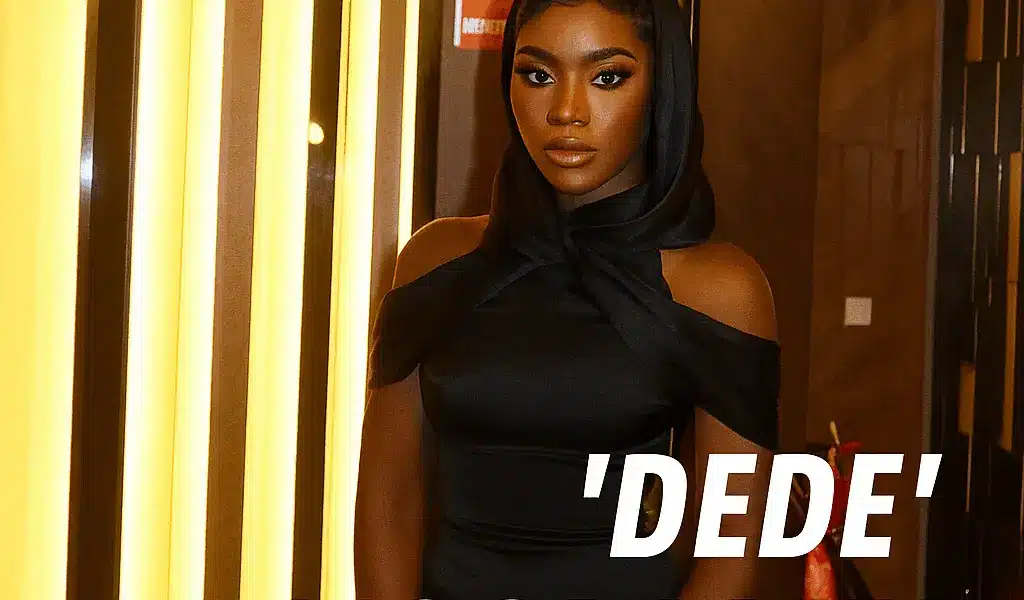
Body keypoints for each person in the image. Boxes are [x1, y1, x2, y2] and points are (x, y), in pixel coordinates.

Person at [354, 0, 780, 597]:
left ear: (661, 86)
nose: (566, 111)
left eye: (607, 77)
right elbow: (387, 497)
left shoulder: (719, 287)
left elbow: (730, 546)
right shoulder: (434, 259)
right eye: (538, 74)